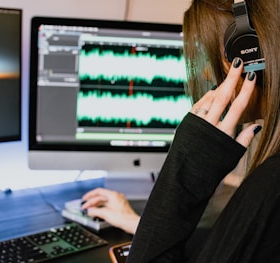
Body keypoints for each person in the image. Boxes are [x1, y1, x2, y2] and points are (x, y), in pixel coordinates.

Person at [84, 0, 280, 262]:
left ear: (251, 53)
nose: (209, 72)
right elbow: (225, 246)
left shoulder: (271, 186)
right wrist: (148, 227)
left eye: (215, 55)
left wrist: (186, 165)